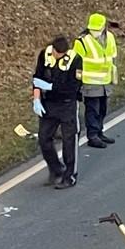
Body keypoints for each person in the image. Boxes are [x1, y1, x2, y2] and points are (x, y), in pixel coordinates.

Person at [31, 34, 83, 189]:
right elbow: (37, 78)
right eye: (57, 53)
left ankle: (70, 176)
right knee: (44, 138)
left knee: (69, 141)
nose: (59, 56)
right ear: (53, 49)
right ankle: (56, 169)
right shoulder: (45, 55)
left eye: (62, 55)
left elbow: (75, 86)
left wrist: (52, 87)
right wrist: (36, 98)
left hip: (67, 105)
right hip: (49, 104)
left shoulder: (75, 60)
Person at [76, 12, 119, 147]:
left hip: (105, 81)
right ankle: (92, 136)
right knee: (92, 110)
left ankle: (99, 131)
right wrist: (78, 84)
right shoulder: (82, 41)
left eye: (97, 29)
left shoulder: (110, 37)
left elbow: (113, 56)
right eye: (92, 29)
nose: (95, 32)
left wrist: (114, 74)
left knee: (103, 109)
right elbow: (76, 64)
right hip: (90, 82)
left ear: (104, 27)